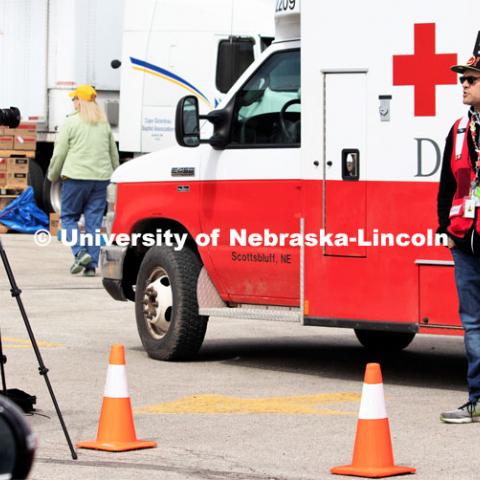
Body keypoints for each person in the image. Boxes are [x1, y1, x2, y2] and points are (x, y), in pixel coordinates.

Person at [437, 53, 480, 423]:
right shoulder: (458, 130)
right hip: (466, 241)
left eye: (471, 79)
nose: (463, 85)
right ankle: (477, 400)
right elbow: (447, 186)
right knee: (473, 325)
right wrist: (444, 231)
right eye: (462, 80)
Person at [47, 85, 119, 276]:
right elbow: (113, 152)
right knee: (93, 223)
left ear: (80, 101)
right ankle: (91, 265)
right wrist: (116, 174)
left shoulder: (71, 123)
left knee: (68, 217)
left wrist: (52, 175)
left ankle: (79, 252)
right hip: (101, 179)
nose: (73, 102)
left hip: (76, 178)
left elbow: (59, 153)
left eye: (74, 99)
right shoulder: (103, 124)